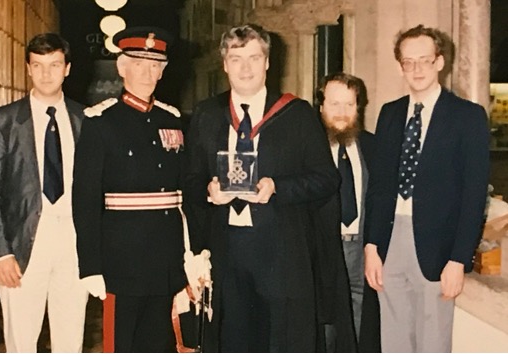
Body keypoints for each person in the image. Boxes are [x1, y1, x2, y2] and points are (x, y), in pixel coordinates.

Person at [183, 23, 340, 352]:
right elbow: (190, 180)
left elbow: (327, 178)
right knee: (232, 342)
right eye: (236, 58)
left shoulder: (297, 115)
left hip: (281, 252)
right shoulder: (206, 115)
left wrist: (277, 187)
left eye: (254, 58)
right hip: (226, 252)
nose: (245, 68)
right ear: (224, 63)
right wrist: (208, 191)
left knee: (281, 342)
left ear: (268, 62)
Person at [364, 24, 490, 352]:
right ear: (400, 66)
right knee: (393, 340)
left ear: (439, 62)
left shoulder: (468, 117)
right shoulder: (389, 115)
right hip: (390, 242)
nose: (417, 69)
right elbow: (378, 188)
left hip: (438, 247)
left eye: (424, 60)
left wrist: (459, 259)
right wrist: (371, 246)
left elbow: (474, 196)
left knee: (433, 342)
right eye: (409, 62)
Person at [73, 26, 190, 352]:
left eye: (155, 65)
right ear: (122, 68)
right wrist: (91, 266)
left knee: (160, 344)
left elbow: (185, 192)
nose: (147, 73)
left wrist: (190, 254)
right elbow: (85, 199)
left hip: (167, 259)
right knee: (121, 345)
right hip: (121, 262)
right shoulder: (101, 122)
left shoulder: (174, 121)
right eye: (139, 64)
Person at [0, 32, 89, 353]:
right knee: (21, 341)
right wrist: (0, 252)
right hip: (23, 246)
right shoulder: (3, 121)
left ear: (67, 68)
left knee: (71, 339)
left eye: (54, 65)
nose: (46, 74)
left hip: (73, 244)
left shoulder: (86, 119)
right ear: (28, 68)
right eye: (38, 65)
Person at [314, 72, 375, 352]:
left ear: (358, 107)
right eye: (335, 104)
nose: (341, 112)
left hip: (361, 250)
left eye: (349, 105)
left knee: (360, 323)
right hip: (322, 248)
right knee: (325, 325)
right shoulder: (309, 149)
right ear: (321, 105)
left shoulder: (373, 147)